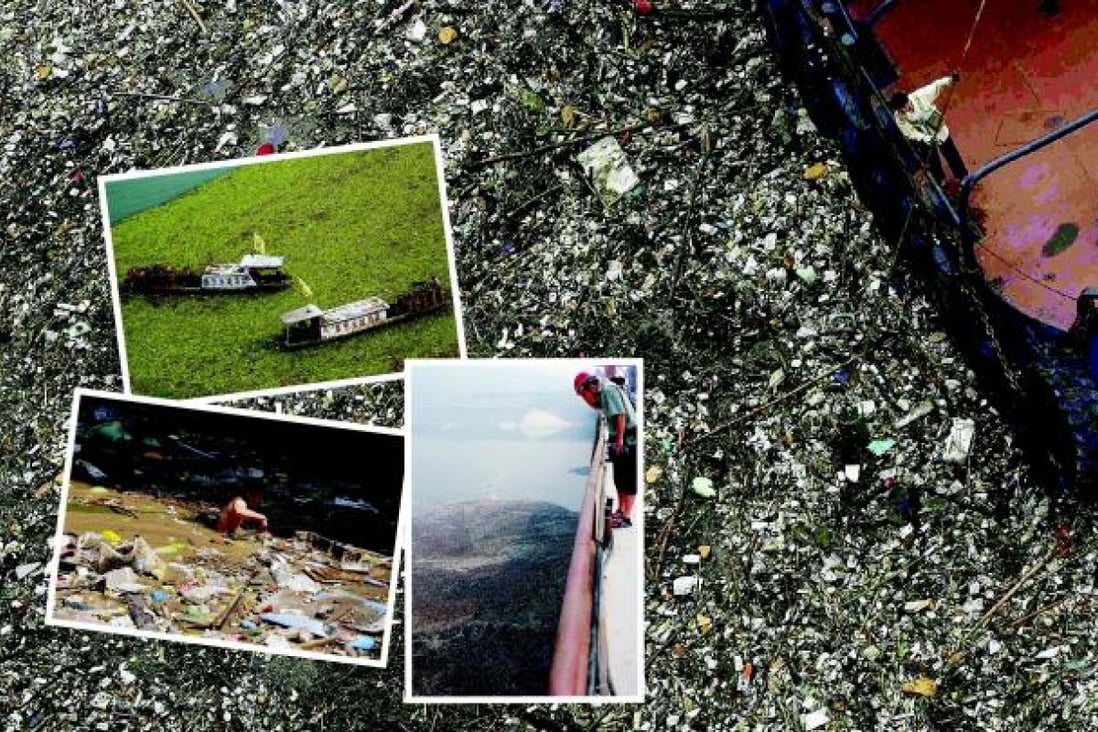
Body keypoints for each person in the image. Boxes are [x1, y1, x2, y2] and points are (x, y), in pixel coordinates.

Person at [574, 371, 638, 529]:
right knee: (619, 478)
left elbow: (621, 416)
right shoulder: (603, 392)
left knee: (628, 479)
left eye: (584, 394)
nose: (585, 398)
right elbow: (598, 406)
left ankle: (627, 517)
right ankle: (620, 510)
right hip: (620, 438)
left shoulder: (608, 390)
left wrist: (619, 441)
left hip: (628, 439)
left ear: (590, 386)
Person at [888, 74, 969, 182]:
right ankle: (941, 180)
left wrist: (950, 80)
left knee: (951, 153)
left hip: (938, 130)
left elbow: (936, 86)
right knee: (933, 161)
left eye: (904, 107)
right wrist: (926, 138)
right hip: (924, 138)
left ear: (908, 101)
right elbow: (910, 133)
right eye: (901, 109)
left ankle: (963, 176)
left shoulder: (921, 96)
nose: (904, 110)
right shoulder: (899, 117)